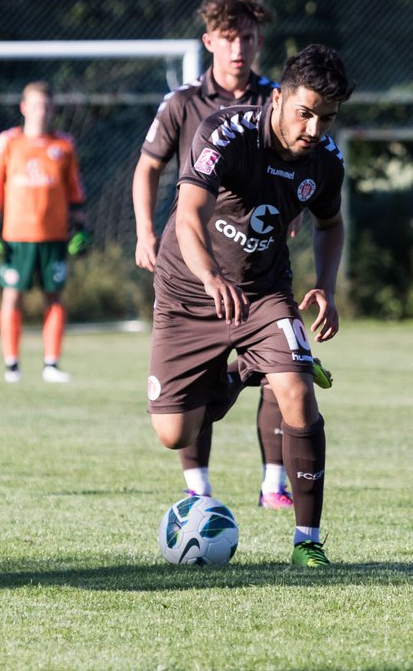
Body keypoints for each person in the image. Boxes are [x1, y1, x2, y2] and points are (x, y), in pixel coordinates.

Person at [147, 43, 353, 567]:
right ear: (279, 98)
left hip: (263, 293)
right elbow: (189, 213)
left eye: (326, 118)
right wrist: (210, 276)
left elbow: (330, 225)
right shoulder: (225, 132)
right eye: (305, 112)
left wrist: (325, 283)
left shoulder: (326, 162)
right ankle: (241, 372)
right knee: (175, 433)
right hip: (188, 290)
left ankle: (307, 541)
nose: (314, 128)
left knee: (298, 394)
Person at [133, 0, 330, 511]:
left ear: (259, 41)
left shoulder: (284, 102)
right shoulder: (184, 104)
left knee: (285, 379)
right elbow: (151, 168)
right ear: (209, 43)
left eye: (247, 37)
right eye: (228, 38)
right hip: (195, 263)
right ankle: (197, 485)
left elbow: (306, 183)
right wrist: (144, 232)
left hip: (259, 273)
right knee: (175, 427)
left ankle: (274, 485)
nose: (239, 47)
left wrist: (288, 208)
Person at [0, 81, 87, 384]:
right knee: (12, 297)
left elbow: (74, 187)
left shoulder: (63, 144)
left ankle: (51, 363)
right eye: (36, 105)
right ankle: (11, 364)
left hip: (54, 236)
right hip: (16, 236)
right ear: (24, 108)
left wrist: (81, 226)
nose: (42, 112)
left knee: (55, 297)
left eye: (47, 106)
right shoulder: (8, 142)